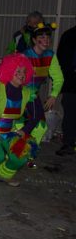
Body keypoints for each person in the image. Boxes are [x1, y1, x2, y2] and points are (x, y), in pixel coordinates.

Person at [0, 54, 43, 188]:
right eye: (17, 71)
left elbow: (37, 115)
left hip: (9, 131)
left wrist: (24, 130)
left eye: (24, 71)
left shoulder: (28, 93)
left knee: (20, 157)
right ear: (9, 71)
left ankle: (4, 174)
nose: (22, 75)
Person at [22, 22, 63, 151]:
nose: (46, 41)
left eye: (48, 37)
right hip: (20, 94)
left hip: (33, 95)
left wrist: (53, 95)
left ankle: (28, 153)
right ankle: (15, 152)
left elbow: (59, 78)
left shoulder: (50, 55)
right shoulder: (25, 55)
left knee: (41, 126)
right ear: (34, 40)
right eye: (42, 38)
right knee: (26, 123)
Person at [56, 22, 76, 156]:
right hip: (71, 83)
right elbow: (60, 58)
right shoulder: (69, 36)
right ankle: (68, 143)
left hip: (70, 81)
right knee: (70, 114)